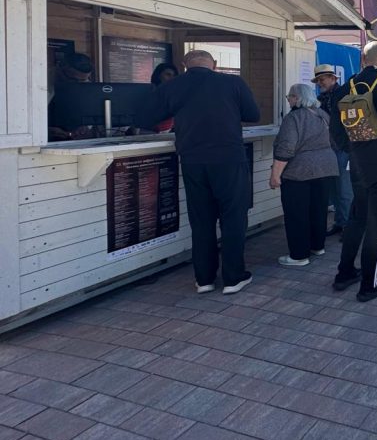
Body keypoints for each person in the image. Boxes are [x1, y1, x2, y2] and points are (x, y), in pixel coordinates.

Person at [137, 50, 259, 294]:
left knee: (202, 220)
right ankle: (233, 278)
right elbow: (253, 115)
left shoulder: (173, 86)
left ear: (185, 65)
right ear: (214, 64)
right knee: (233, 218)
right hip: (229, 158)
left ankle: (204, 279)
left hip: (192, 160)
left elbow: (145, 117)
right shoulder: (233, 82)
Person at [332, 41, 377, 302]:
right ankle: (370, 284)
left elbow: (336, 131)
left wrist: (353, 148)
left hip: (357, 161)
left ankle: (344, 273)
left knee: (358, 217)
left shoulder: (346, 86)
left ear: (362, 60)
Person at [270, 84, 338, 267]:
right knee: (318, 209)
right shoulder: (322, 115)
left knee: (296, 213)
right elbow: (334, 140)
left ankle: (299, 255)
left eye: (290, 96)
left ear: (298, 98)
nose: (288, 100)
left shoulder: (293, 118)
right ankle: (317, 246)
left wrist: (275, 175)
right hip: (325, 168)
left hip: (299, 171)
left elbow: (286, 148)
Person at [313, 65, 352, 239]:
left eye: (322, 79)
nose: (319, 83)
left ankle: (349, 228)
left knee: (344, 190)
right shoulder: (321, 99)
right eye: (318, 80)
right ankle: (340, 222)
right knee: (334, 190)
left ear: (332, 78)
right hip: (328, 149)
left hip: (343, 148)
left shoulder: (344, 95)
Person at [48, 52, 95, 141]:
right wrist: (44, 129)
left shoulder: (85, 84)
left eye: (82, 80)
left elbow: (90, 108)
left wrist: (86, 126)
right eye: (73, 79)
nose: (77, 83)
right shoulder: (40, 81)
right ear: (60, 68)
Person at [149, 62, 178, 133]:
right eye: (168, 75)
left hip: (169, 133)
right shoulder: (148, 92)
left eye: (174, 76)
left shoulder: (175, 94)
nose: (172, 78)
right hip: (149, 133)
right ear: (158, 76)